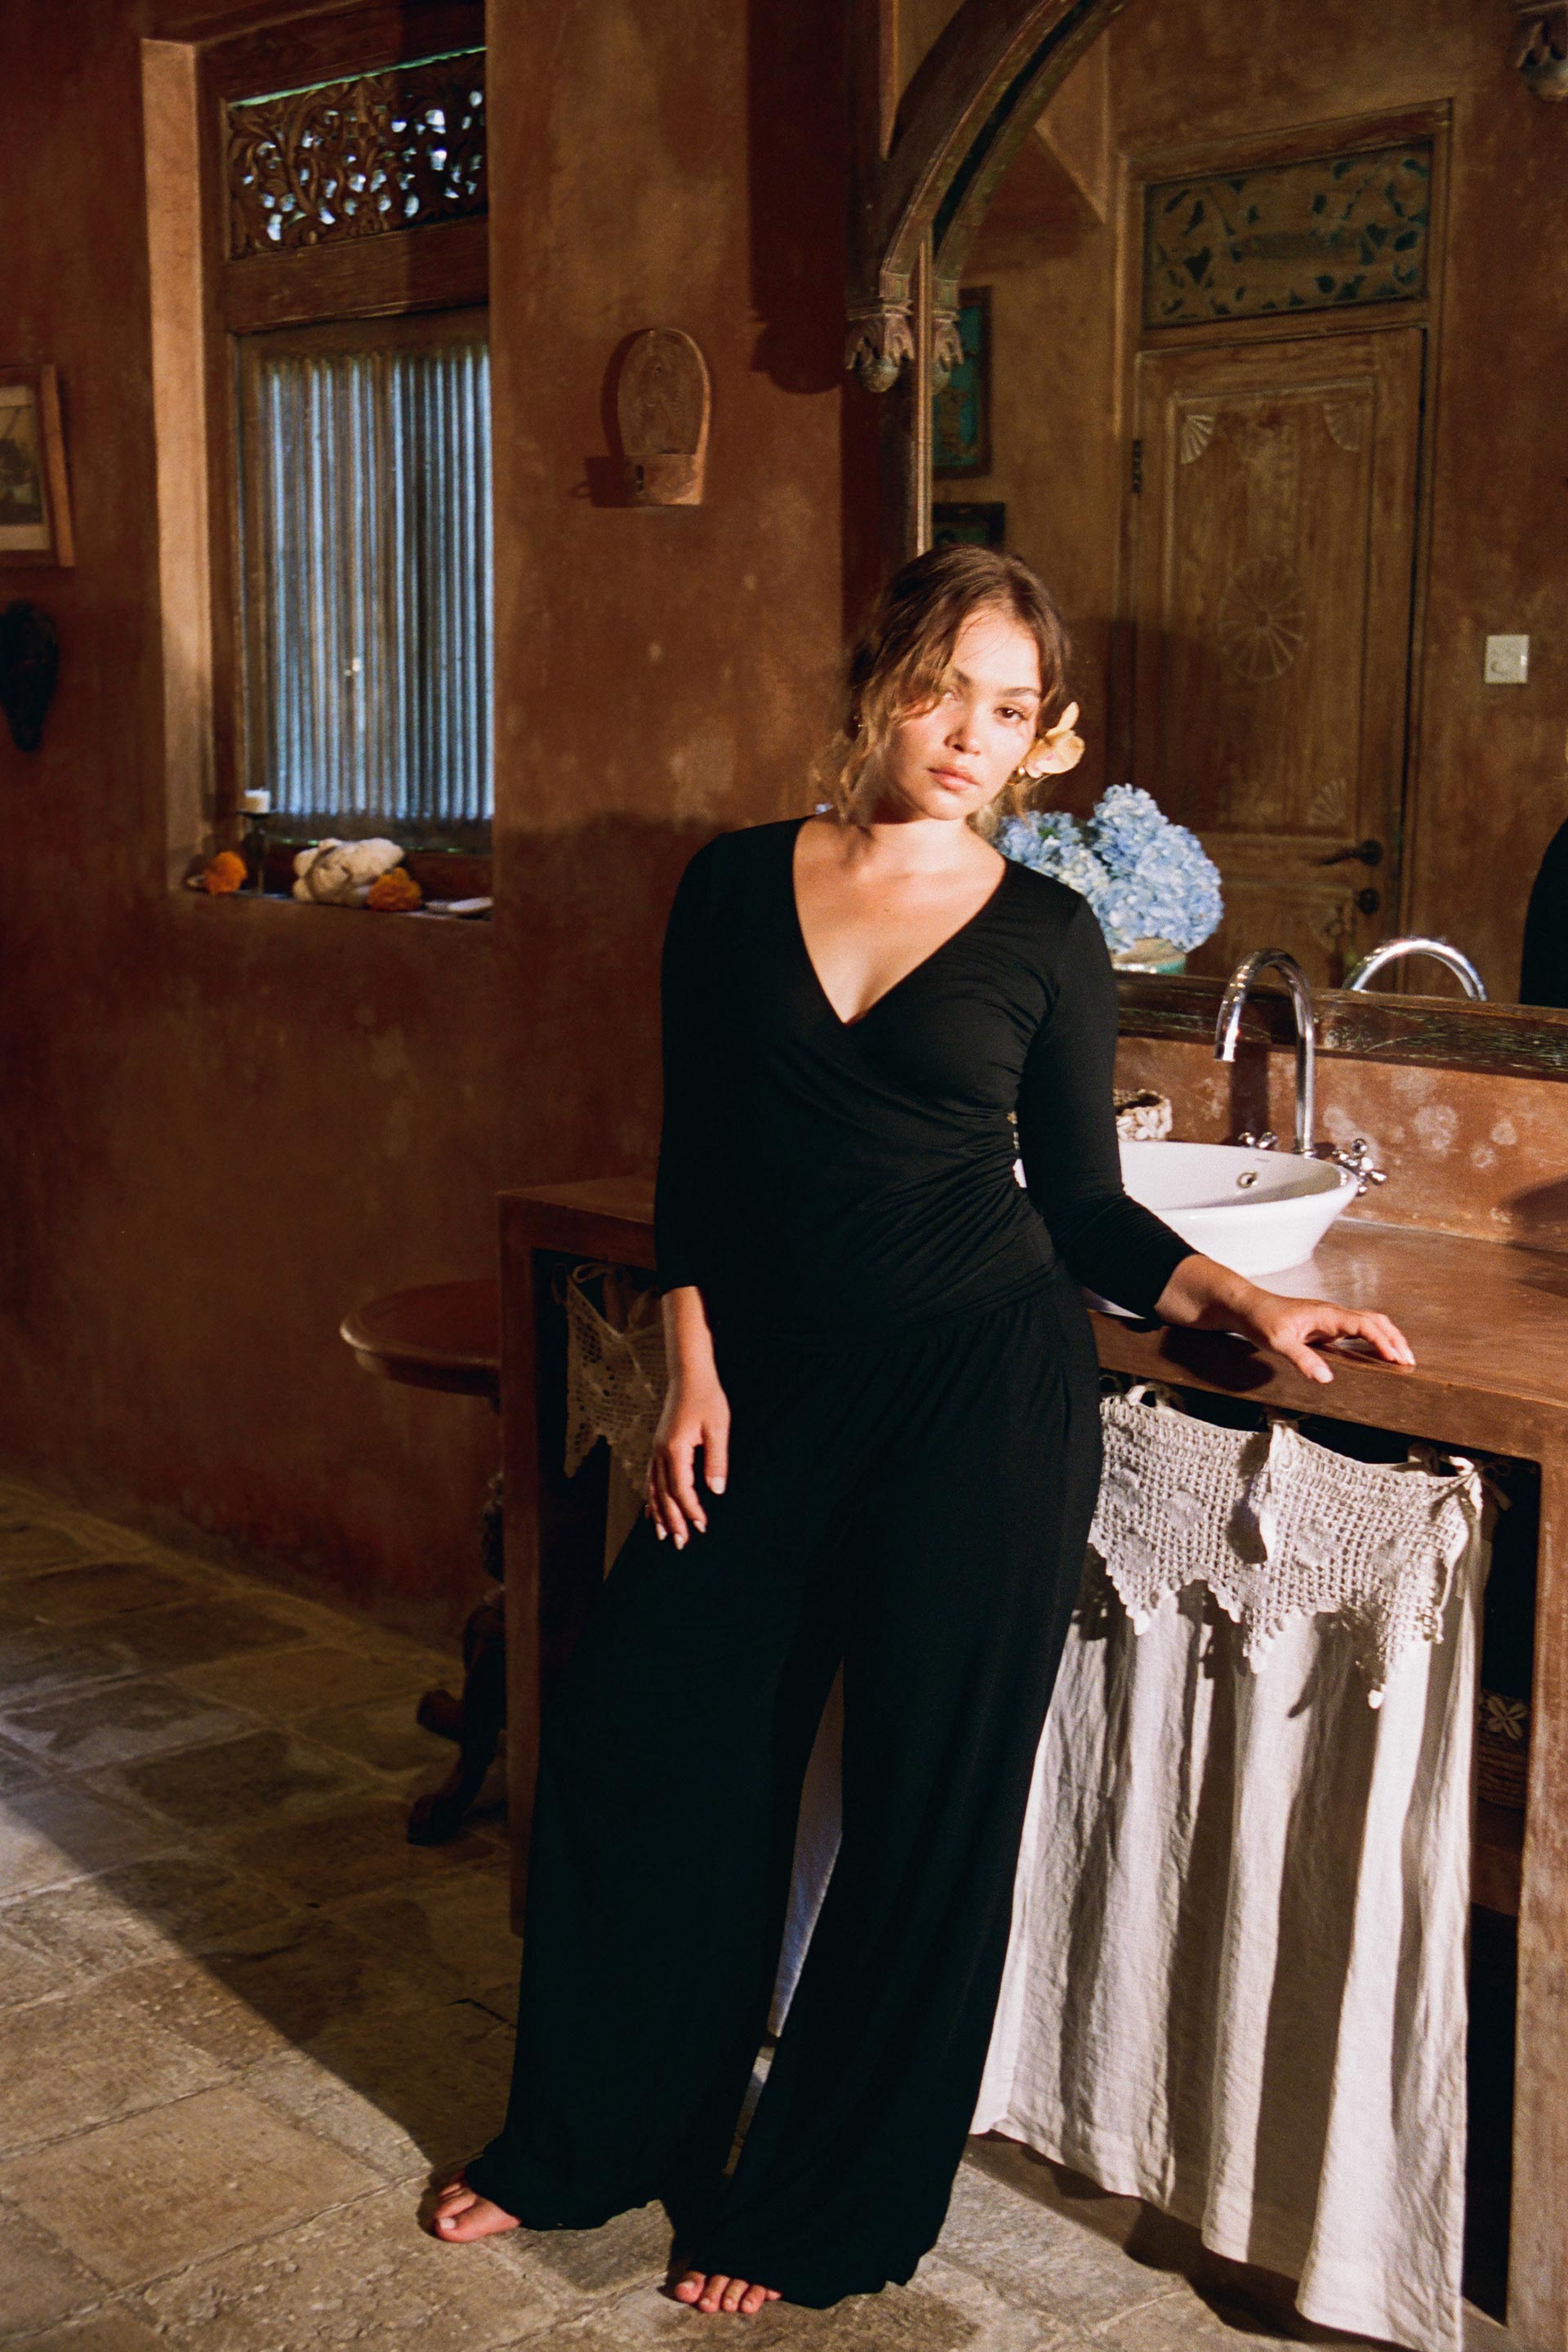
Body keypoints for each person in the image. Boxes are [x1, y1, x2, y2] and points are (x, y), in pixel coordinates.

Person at [426, 546, 1415, 2315]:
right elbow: (699, 1156)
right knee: (648, 1747)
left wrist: (1248, 1302)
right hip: (764, 1390)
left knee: (926, 1811)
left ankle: (818, 2212)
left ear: (1044, 740)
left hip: (979, 1399)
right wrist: (689, 1361)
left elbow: (1087, 1208)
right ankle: (585, 2139)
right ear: (881, 679)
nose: (969, 734)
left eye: (1010, 709)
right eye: (947, 688)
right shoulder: (733, 885)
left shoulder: (1046, 934)